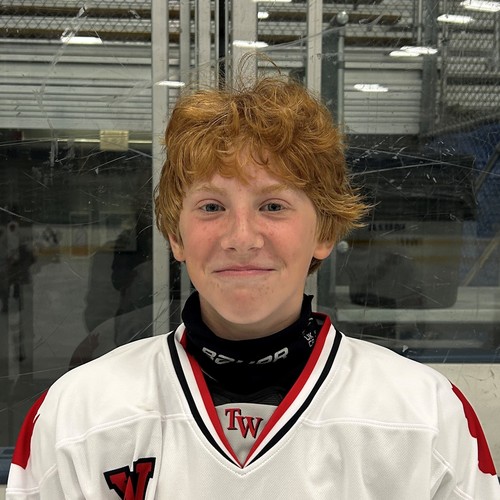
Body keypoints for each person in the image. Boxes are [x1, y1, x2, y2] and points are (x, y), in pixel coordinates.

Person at [6, 75, 500, 499]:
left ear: (325, 231)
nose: (241, 238)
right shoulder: (78, 415)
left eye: (273, 206)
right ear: (176, 236)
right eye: (211, 207)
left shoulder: (424, 417)